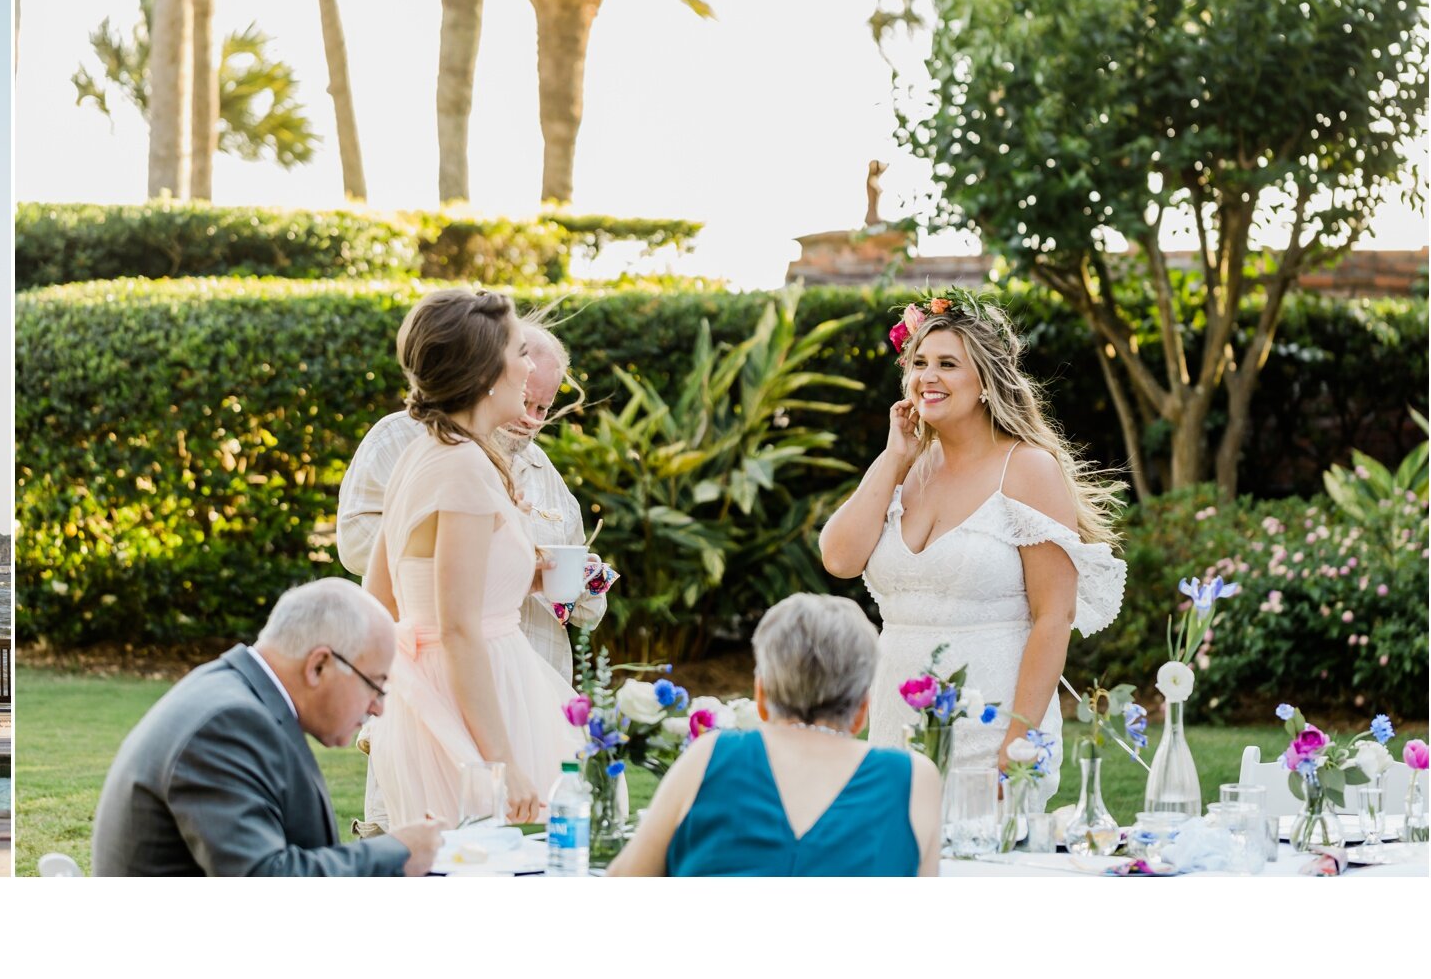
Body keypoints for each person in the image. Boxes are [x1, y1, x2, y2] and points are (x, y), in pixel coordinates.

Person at [818, 295, 1126, 803]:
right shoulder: (907, 468)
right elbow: (839, 558)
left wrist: (1021, 734)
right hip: (898, 725)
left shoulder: (1028, 469)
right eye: (919, 363)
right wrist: (894, 457)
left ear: (985, 381)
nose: (927, 377)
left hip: (994, 725)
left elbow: (1055, 615)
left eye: (947, 364)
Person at [358, 289, 585, 830]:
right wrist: (499, 765)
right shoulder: (459, 466)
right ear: (487, 370)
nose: (530, 367)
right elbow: (457, 629)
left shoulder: (435, 453)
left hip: (466, 698)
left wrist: (522, 577)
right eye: (519, 352)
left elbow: (383, 595)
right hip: (462, 717)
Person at [90, 579, 443, 876]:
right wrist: (399, 852)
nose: (378, 708)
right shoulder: (225, 727)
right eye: (375, 684)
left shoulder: (235, 696)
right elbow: (264, 878)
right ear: (319, 665)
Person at [337, 318, 606, 685]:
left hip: (537, 687)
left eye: (543, 409)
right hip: (436, 680)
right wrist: (492, 551)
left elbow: (577, 613)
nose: (530, 419)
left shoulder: (548, 478)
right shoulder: (401, 437)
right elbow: (354, 545)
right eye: (525, 400)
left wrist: (584, 582)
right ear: (490, 378)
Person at [608, 594, 940, 877]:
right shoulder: (914, 777)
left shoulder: (711, 755)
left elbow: (625, 880)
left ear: (761, 696)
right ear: (861, 711)